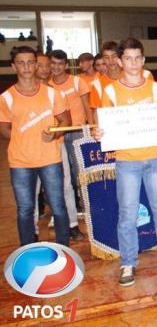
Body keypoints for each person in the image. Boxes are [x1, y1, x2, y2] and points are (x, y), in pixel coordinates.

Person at [94, 38, 157, 286]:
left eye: (138, 58)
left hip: (155, 159)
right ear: (119, 61)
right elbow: (103, 126)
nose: (133, 63)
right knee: (127, 214)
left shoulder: (156, 89)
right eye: (128, 58)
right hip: (127, 162)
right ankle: (128, 262)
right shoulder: (110, 92)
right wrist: (100, 132)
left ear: (144, 60)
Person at [0, 46, 71, 247]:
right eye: (21, 62)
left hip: (50, 159)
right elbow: (3, 128)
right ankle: (27, 250)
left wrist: (55, 133)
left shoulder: (52, 94)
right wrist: (20, 136)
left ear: (36, 64)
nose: (27, 66)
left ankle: (64, 250)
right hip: (20, 162)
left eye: (31, 62)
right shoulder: (6, 97)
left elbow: (65, 120)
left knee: (58, 206)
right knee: (25, 208)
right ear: (14, 66)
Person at [48, 50, 90, 239]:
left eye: (60, 63)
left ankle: (89, 210)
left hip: (78, 132)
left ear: (66, 65)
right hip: (57, 136)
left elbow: (87, 106)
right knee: (63, 178)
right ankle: (66, 216)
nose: (56, 67)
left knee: (82, 174)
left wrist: (89, 129)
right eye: (53, 63)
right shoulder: (47, 86)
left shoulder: (77, 82)